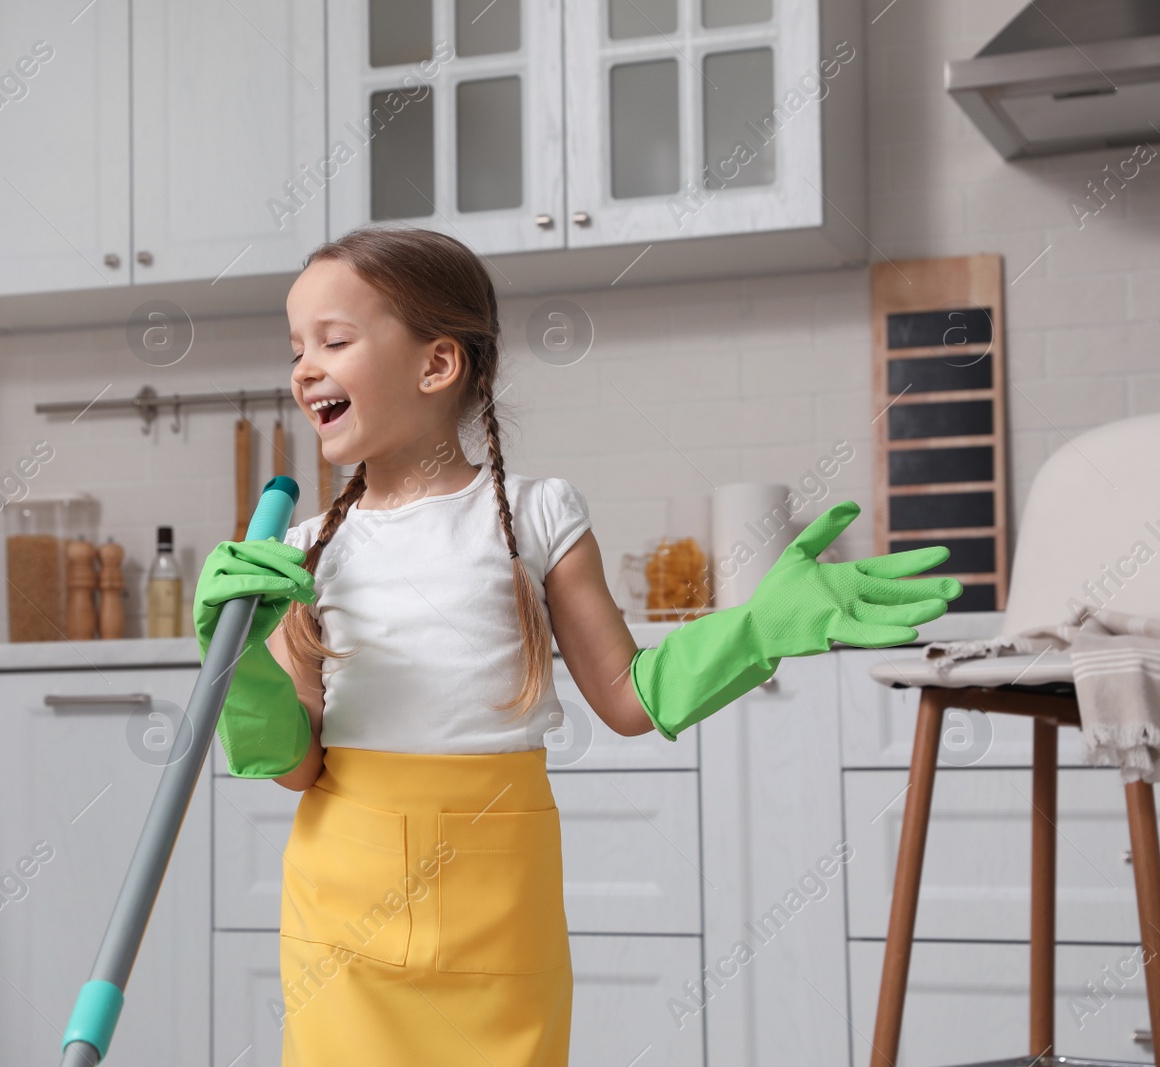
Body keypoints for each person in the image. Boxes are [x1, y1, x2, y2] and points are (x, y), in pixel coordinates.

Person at [193, 226, 961, 1066]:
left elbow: (629, 698)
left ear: (436, 363)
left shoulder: (540, 514)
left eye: (333, 340)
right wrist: (236, 665)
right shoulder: (301, 551)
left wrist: (757, 628)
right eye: (296, 345)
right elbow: (296, 763)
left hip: (499, 909)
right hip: (341, 917)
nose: (304, 366)